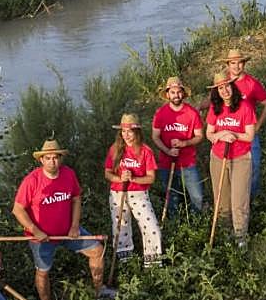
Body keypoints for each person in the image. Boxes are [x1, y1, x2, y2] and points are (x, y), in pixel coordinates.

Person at [12, 139, 116, 300]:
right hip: (41, 237)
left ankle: (99, 290)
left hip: (68, 232)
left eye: (55, 157)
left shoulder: (68, 174)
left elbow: (76, 198)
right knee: (43, 272)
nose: (52, 161)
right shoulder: (32, 181)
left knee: (97, 250)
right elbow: (18, 209)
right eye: (48, 158)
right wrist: (35, 231)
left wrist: (75, 226)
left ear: (61, 159)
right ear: (41, 160)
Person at [205, 72, 257, 245]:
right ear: (216, 91)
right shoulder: (215, 108)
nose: (225, 91)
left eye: (227, 86)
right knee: (222, 200)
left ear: (232, 87)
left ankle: (241, 237)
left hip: (240, 158)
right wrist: (220, 134)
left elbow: (249, 136)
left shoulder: (244, 107)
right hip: (218, 157)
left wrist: (232, 134)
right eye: (220, 88)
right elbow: (209, 133)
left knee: (238, 200)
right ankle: (225, 235)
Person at [104, 113, 162, 266]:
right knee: (120, 227)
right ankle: (126, 264)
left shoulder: (145, 151)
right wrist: (119, 178)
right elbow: (107, 173)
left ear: (137, 132)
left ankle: (153, 265)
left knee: (152, 227)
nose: (126, 135)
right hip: (118, 193)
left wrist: (133, 179)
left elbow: (151, 177)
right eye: (123, 131)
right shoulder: (115, 149)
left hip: (139, 194)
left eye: (130, 131)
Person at [219, 49, 266, 199]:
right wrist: (198, 108)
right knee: (229, 170)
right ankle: (232, 202)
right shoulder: (223, 82)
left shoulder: (252, 84)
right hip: (227, 134)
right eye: (232, 63)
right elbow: (213, 101)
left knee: (253, 168)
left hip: (247, 135)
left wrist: (258, 126)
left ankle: (251, 200)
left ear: (244, 64)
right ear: (228, 64)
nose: (236, 67)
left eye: (240, 63)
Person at [150, 76, 205, 217]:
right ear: (168, 94)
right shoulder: (160, 114)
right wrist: (167, 150)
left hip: (188, 162)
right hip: (167, 163)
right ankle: (175, 225)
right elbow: (155, 137)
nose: (176, 95)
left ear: (183, 93)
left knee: (197, 196)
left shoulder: (192, 113)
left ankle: (195, 224)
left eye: (179, 92)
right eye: (172, 92)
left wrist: (184, 143)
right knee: (172, 198)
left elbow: (199, 136)